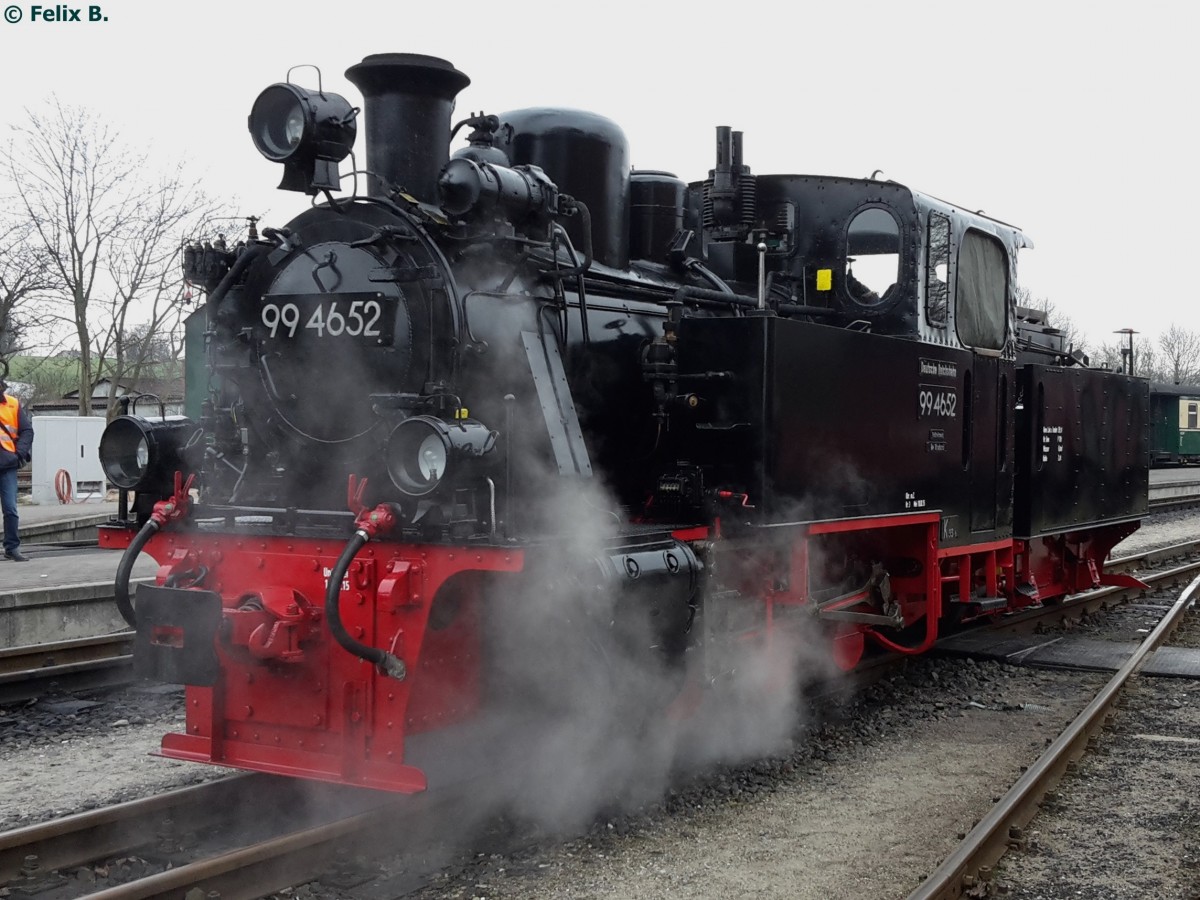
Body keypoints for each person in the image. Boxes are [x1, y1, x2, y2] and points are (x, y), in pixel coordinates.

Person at [0, 380, 33, 562]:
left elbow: (27, 430)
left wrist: (18, 454)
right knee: (10, 508)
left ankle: (12, 547)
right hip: (9, 462)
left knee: (10, 508)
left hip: (7, 464)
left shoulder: (12, 404)